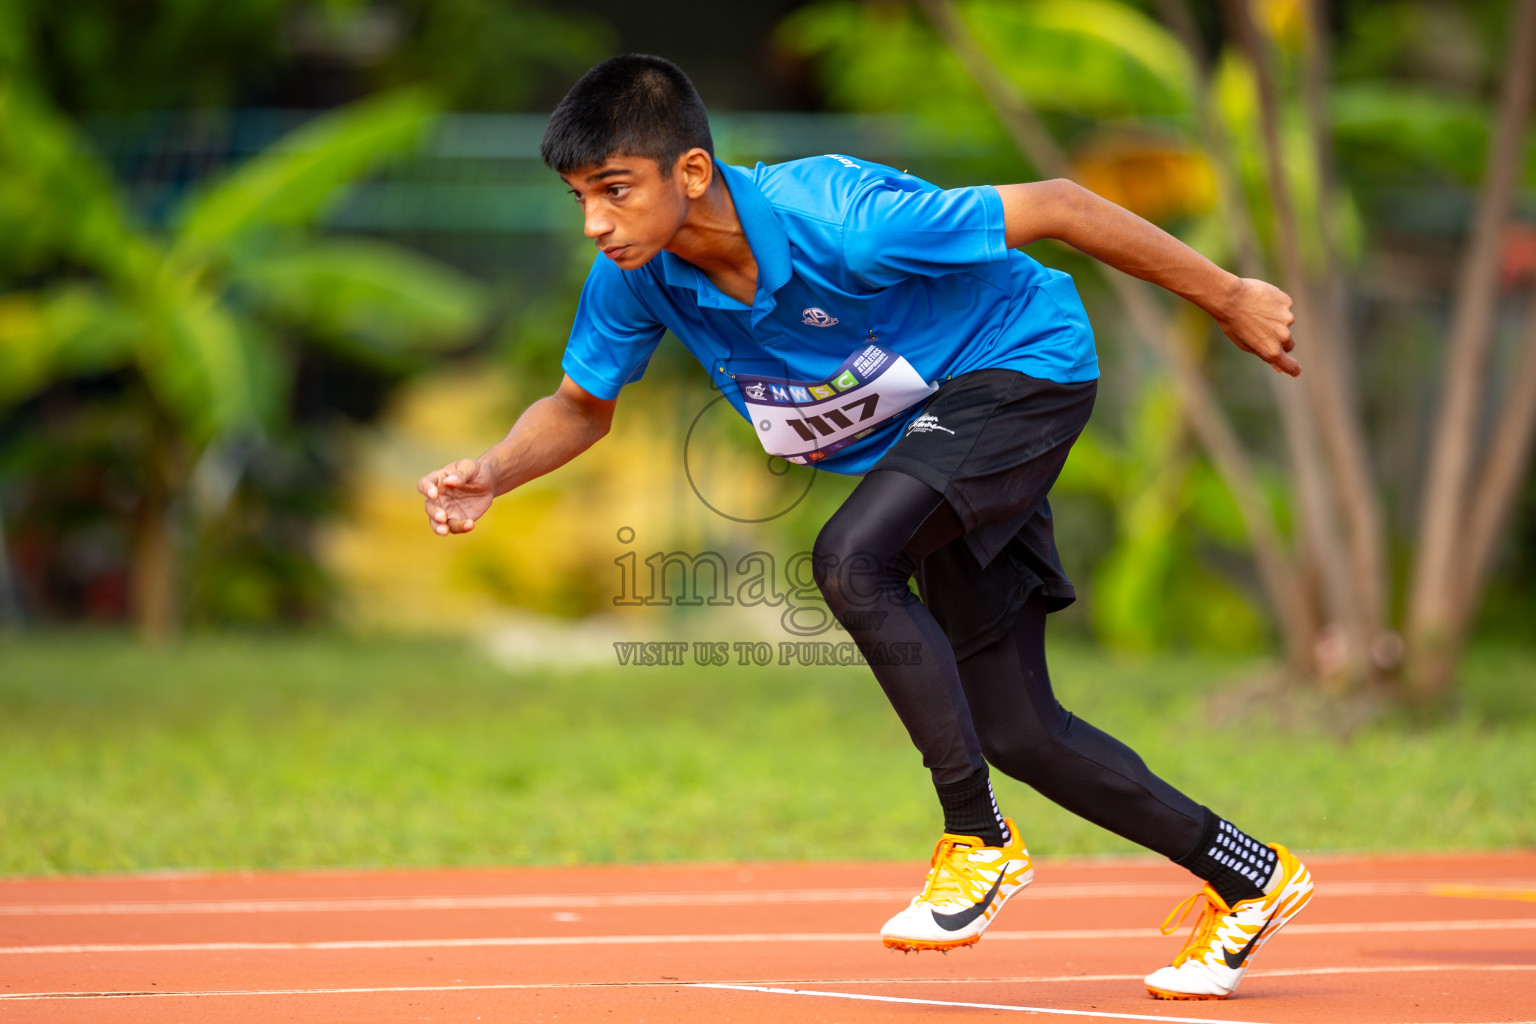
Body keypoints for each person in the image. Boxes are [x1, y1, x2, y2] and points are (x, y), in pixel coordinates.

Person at [417, 54, 1313, 1001]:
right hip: (931, 433)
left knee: (850, 558)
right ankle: (1248, 876)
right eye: (578, 198)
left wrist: (1230, 294)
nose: (595, 222)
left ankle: (978, 839)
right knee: (1019, 728)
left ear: (689, 172)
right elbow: (579, 406)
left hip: (1022, 367)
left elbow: (1059, 203)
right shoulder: (637, 279)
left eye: (613, 190)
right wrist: (494, 474)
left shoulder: (842, 221)